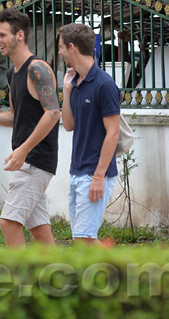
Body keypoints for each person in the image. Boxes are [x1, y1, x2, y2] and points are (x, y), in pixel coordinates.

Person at [0, 9, 60, 247]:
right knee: (40, 231)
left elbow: (53, 113)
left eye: (2, 35)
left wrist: (23, 150)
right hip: (29, 160)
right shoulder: (13, 73)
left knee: (9, 224)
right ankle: (62, 280)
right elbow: (15, 116)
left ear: (19, 35)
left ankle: (21, 282)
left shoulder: (37, 68)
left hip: (35, 160)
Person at [59, 23, 120, 246]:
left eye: (61, 47)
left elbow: (112, 133)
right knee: (82, 239)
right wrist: (66, 90)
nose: (59, 52)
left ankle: (122, 275)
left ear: (72, 47)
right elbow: (68, 125)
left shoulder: (105, 84)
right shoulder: (77, 83)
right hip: (77, 171)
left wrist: (98, 177)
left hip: (94, 173)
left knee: (84, 239)